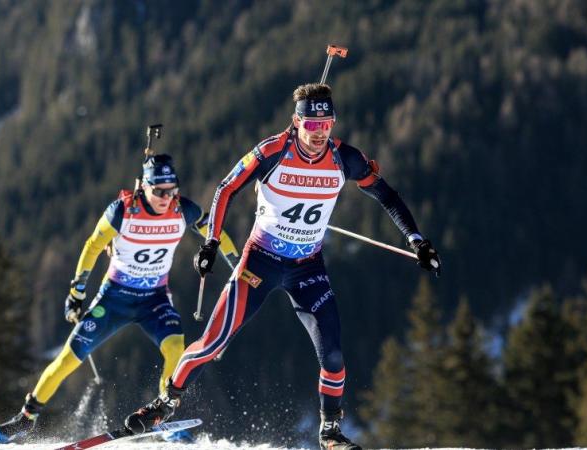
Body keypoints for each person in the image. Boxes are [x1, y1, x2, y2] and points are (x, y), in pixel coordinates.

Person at [123, 83, 441, 450]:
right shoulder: (273, 150)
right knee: (213, 341)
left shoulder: (345, 158)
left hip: (308, 268)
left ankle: (330, 432)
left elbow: (386, 194)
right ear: (296, 122)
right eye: (311, 124)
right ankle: (165, 403)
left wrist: (416, 240)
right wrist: (211, 241)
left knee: (333, 354)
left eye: (326, 124)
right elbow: (226, 189)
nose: (319, 133)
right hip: (261, 261)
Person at [0, 153, 239, 443]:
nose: (166, 198)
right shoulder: (122, 211)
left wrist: (237, 264)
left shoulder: (184, 210)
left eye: (172, 190)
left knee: (176, 348)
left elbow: (216, 234)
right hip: (114, 299)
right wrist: (77, 291)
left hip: (154, 300)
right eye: (159, 191)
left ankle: (162, 414)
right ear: (143, 186)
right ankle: (25, 419)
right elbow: (93, 246)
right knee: (68, 359)